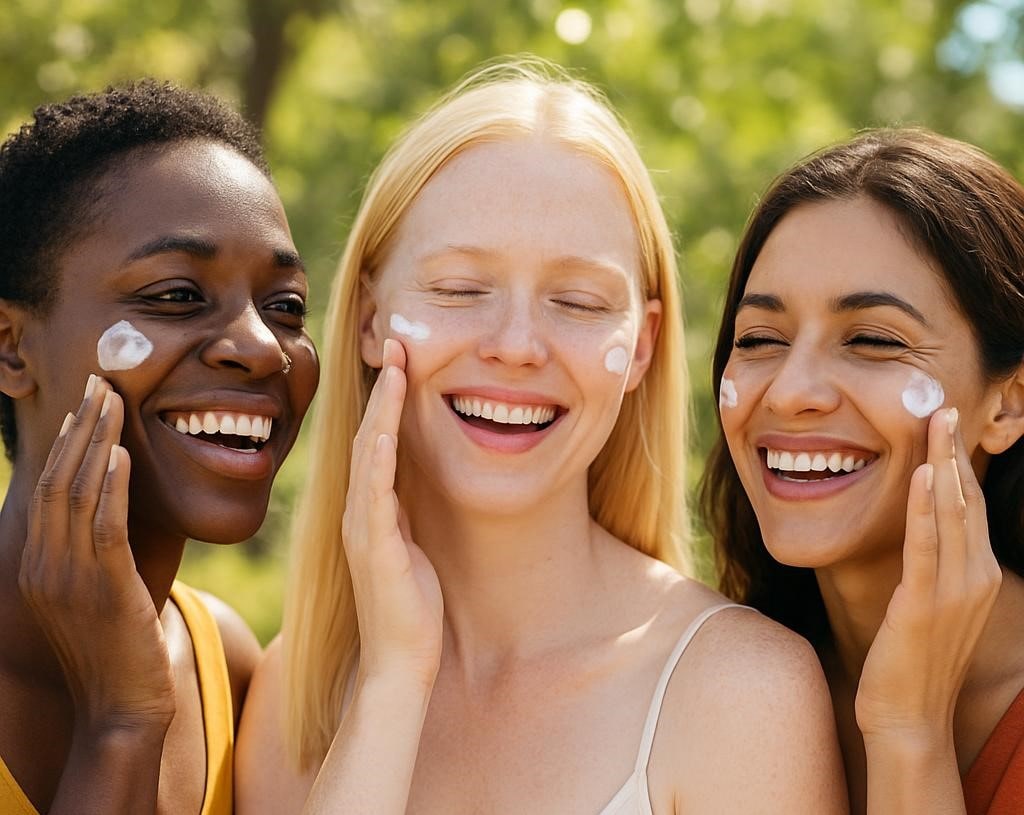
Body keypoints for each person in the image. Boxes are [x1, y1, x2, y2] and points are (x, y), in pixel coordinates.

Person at [236, 60, 847, 814]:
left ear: (644, 345)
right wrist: (392, 684)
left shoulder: (741, 692)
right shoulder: (291, 699)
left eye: (579, 301)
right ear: (367, 318)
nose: (517, 344)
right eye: (461, 289)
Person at [0, 81, 319, 814]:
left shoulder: (231, 670)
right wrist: (122, 723)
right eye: (176, 295)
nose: (262, 347)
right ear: (12, 349)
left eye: (286, 306)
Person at [702, 128, 1024, 814]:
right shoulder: (704, 684)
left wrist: (909, 731)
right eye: (760, 339)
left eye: (873, 340)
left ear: (1010, 401)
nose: (791, 391)